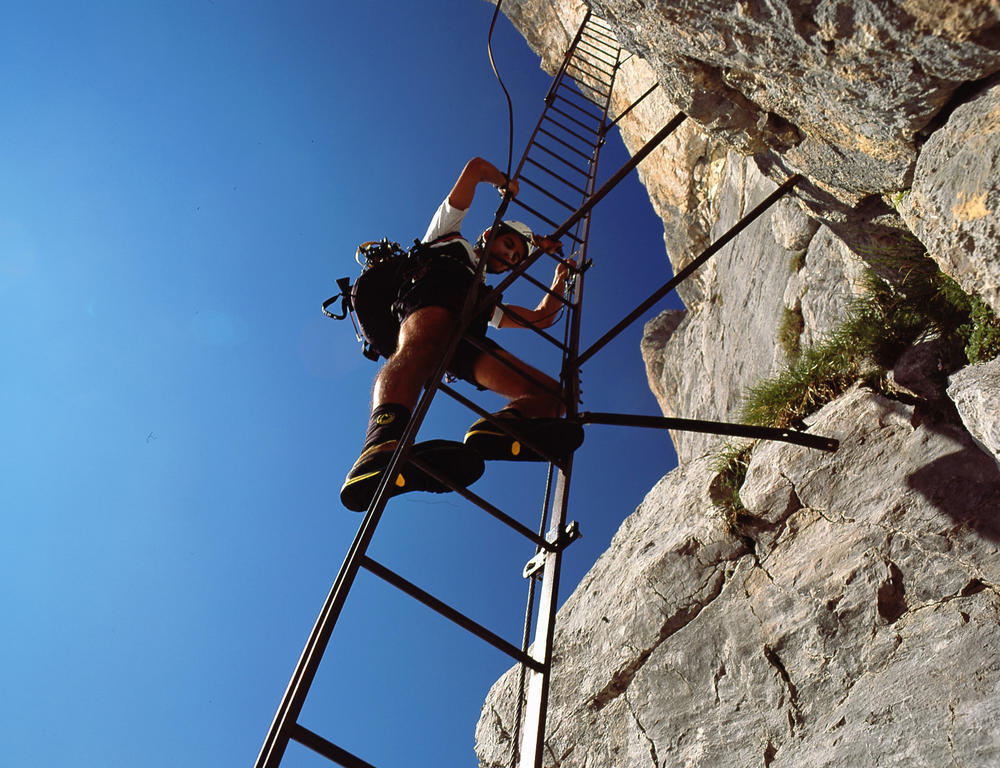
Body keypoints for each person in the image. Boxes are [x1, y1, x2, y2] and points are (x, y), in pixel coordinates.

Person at [340, 156, 584, 511]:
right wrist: (504, 182)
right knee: (420, 348)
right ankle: (379, 448)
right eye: (509, 246)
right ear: (491, 234)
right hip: (428, 298)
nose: (510, 257)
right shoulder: (448, 235)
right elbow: (474, 169)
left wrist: (560, 279)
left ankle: (500, 429)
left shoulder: (485, 295)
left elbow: (540, 318)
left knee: (551, 396)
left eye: (516, 259)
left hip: (463, 339)